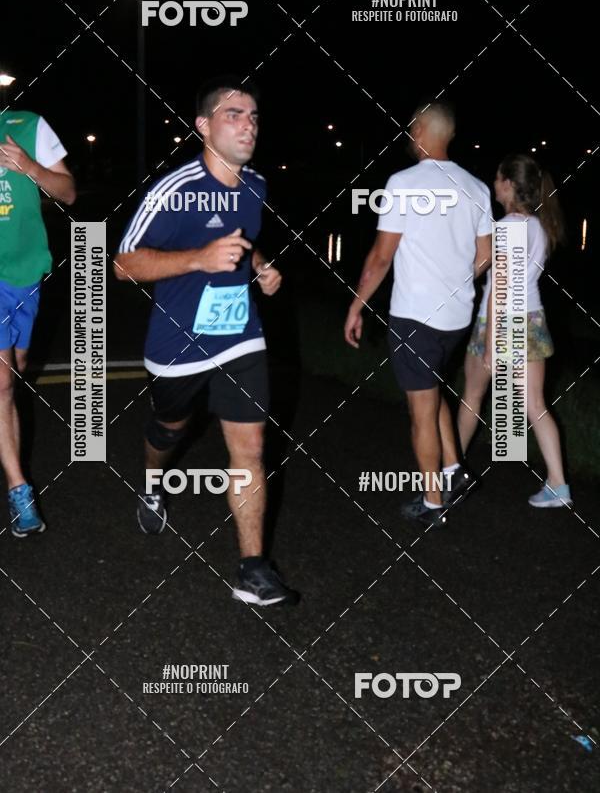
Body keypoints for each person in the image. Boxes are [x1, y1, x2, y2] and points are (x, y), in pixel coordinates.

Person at [115, 76, 299, 606]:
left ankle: (252, 570)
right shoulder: (173, 191)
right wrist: (197, 258)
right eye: (234, 114)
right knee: (169, 430)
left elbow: (244, 243)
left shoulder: (256, 185)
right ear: (204, 126)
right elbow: (123, 264)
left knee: (250, 447)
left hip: (240, 336)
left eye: (254, 116)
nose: (248, 125)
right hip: (178, 343)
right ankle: (152, 479)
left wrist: (261, 267)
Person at [344, 101, 492, 527]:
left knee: (420, 412)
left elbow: (380, 257)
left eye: (412, 128)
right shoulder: (476, 188)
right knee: (432, 390)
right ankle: (453, 471)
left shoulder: (403, 183)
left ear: (424, 130)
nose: (410, 134)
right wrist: (454, 272)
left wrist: (356, 305)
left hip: (415, 317)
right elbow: (484, 258)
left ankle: (432, 503)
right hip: (456, 317)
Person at [458, 153, 571, 508]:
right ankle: (558, 485)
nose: (493, 185)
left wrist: (491, 344)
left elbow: (500, 290)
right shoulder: (538, 226)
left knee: (472, 397)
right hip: (531, 319)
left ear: (509, 184)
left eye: (496, 179)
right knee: (535, 405)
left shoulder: (508, 226)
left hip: (502, 321)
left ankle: (448, 472)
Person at [0, 109, 76, 536]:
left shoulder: (28, 127)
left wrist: (27, 166)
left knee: (18, 368)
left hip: (26, 272)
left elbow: (68, 193)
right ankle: (19, 489)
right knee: (3, 383)